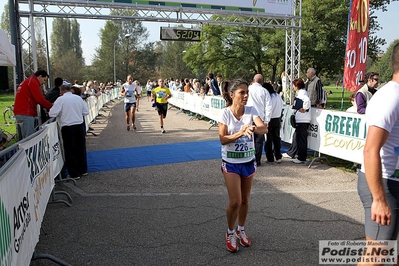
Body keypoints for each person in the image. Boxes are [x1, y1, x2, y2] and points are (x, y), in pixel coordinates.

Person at [357, 42, 399, 264]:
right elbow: (371, 150)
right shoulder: (390, 97)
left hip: (393, 181)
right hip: (384, 184)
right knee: (376, 257)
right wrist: (379, 199)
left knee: (391, 255)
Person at [218, 79, 267, 253]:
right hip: (231, 162)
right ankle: (230, 232)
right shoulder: (225, 113)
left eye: (247, 92)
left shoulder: (251, 111)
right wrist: (240, 133)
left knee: (245, 200)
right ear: (232, 95)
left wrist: (253, 128)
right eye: (242, 93)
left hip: (247, 161)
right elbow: (223, 139)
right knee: (235, 201)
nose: (246, 96)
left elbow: (264, 129)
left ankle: (241, 229)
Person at [49, 84, 89, 180]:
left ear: (61, 91)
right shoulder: (78, 98)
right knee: (81, 148)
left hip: (68, 126)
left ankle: (74, 173)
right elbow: (86, 111)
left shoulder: (60, 100)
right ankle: (83, 169)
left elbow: (52, 113)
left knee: (70, 150)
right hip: (79, 125)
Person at [14, 69, 53, 140]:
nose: (43, 83)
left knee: (26, 137)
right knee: (29, 139)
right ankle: (29, 151)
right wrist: (52, 106)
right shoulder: (33, 82)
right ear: (40, 76)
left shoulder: (28, 81)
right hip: (26, 113)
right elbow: (39, 99)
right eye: (44, 80)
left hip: (22, 112)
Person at [282, 78, 311, 164]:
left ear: (296, 86)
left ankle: (301, 157)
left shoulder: (302, 93)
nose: (293, 87)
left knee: (301, 138)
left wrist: (305, 109)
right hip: (301, 119)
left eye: (294, 85)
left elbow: (307, 101)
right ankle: (292, 153)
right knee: (296, 137)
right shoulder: (301, 93)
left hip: (303, 119)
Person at [246, 74, 272, 166]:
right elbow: (268, 107)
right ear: (262, 82)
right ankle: (257, 160)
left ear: (253, 80)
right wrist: (266, 121)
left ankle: (248, 158)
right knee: (259, 141)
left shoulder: (248, 89)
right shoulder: (265, 91)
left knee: (248, 139)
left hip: (247, 117)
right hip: (260, 119)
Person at [263, 82, 283, 163]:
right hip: (277, 118)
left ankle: (270, 157)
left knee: (268, 140)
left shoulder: (268, 97)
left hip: (270, 119)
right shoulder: (277, 96)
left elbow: (268, 108)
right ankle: (278, 156)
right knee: (276, 139)